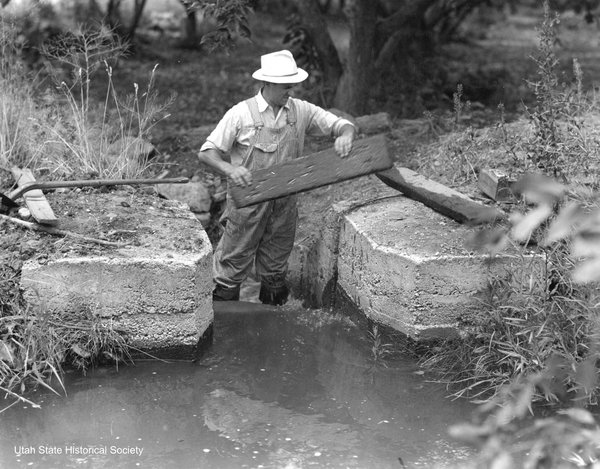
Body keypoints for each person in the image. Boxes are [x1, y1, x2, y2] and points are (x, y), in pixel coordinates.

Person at [198, 49, 356, 305]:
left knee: (275, 271)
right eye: (285, 86)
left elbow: (340, 124)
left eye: (292, 85)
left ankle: (271, 328)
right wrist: (230, 169)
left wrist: (346, 134)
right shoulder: (240, 114)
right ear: (268, 83)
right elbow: (207, 153)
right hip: (247, 204)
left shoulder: (301, 111)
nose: (290, 91)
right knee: (231, 269)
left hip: (284, 204)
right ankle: (225, 329)